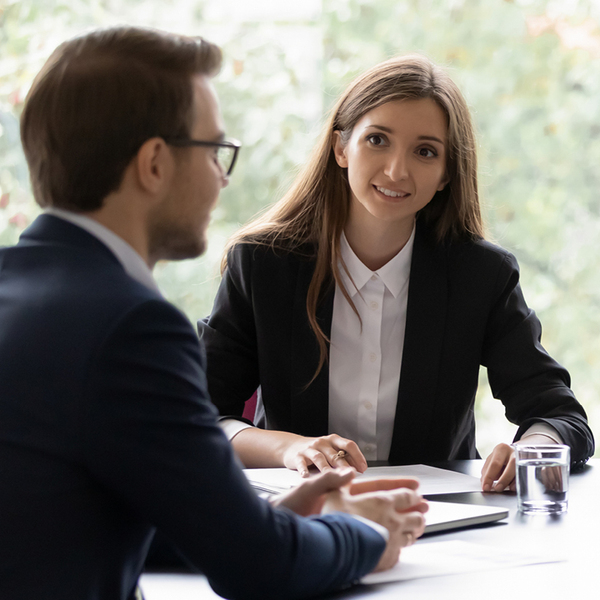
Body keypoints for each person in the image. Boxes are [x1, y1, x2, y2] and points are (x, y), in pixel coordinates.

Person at [0, 27, 429, 600]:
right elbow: (262, 567)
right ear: (154, 163)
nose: (222, 179)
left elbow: (59, 520)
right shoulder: (130, 328)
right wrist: (364, 533)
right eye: (214, 152)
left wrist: (263, 520)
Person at [199, 54, 595, 492]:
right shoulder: (261, 263)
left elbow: (560, 415)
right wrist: (289, 449)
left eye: (425, 151)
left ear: (446, 174)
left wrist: (532, 448)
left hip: (438, 523)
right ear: (340, 148)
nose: (396, 171)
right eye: (377, 140)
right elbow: (199, 415)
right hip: (306, 516)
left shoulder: (481, 276)